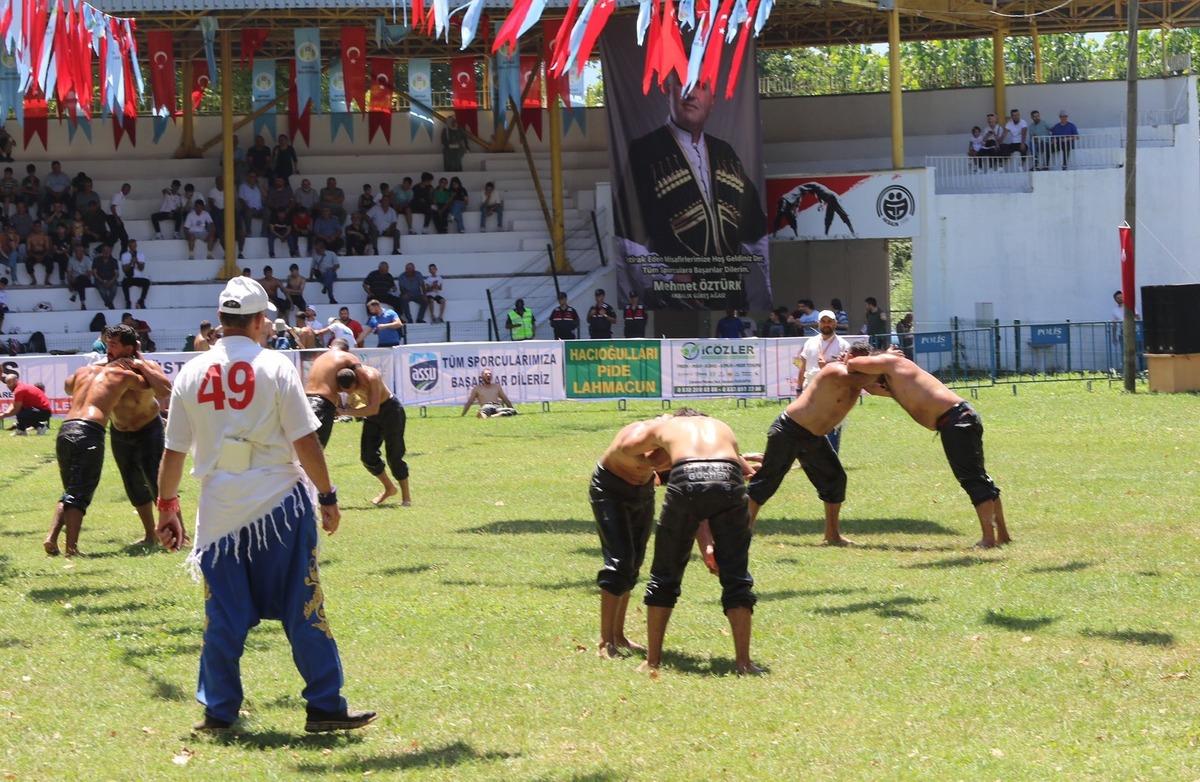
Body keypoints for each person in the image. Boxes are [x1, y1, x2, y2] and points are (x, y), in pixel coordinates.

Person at [154, 276, 375, 734]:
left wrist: (167, 506)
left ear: (220, 321)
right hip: (279, 504)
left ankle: (218, 711)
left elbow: (173, 451)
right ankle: (324, 705)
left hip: (219, 512)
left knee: (224, 616)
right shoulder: (274, 366)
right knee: (303, 605)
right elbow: (304, 438)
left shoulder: (191, 373)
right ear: (258, 321)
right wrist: (329, 495)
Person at [630, 409, 759, 675]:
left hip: (686, 476)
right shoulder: (720, 424)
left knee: (664, 572)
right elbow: (746, 471)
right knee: (736, 575)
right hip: (727, 475)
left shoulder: (667, 426)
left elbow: (640, 456)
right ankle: (744, 663)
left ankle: (652, 660)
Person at [620, 78, 768, 309]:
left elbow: (758, 235)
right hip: (676, 301)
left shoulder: (724, 152)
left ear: (712, 100)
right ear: (667, 89)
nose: (691, 94)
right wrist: (668, 277)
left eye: (701, 86)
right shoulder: (645, 151)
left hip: (731, 298)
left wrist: (766, 288)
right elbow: (626, 237)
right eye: (683, 84)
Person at [847, 347, 1009, 548]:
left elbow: (854, 364)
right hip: (958, 419)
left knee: (973, 479)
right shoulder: (893, 380)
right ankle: (1002, 535)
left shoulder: (890, 362)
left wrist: (847, 360)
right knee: (979, 478)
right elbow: (870, 387)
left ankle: (988, 539)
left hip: (957, 420)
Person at [747, 344, 875, 545]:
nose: (857, 363)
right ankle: (743, 531)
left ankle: (832, 536)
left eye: (864, 360)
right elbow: (864, 379)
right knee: (766, 481)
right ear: (847, 356)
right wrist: (888, 363)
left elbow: (881, 387)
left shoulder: (862, 380)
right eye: (854, 358)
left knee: (835, 479)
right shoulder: (836, 369)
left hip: (812, 437)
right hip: (788, 430)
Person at [44, 326, 154, 556]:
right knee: (80, 492)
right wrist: (139, 362)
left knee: (72, 488)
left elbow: (67, 385)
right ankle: (71, 548)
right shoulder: (123, 373)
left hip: (65, 429)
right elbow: (152, 385)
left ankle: (52, 538)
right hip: (89, 430)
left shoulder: (85, 371)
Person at [588, 420, 672, 658]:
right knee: (619, 561)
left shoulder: (673, 436)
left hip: (642, 491)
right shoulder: (635, 438)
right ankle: (605, 642)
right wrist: (674, 455)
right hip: (610, 491)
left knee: (633, 563)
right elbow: (653, 461)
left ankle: (618, 636)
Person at [107, 326, 173, 546]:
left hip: (148, 430)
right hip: (119, 432)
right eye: (108, 344)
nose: (108, 349)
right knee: (133, 484)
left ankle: (176, 531)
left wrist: (140, 365)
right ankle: (150, 535)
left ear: (129, 347)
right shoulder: (104, 369)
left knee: (159, 483)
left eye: (113, 345)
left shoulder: (147, 366)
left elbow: (165, 390)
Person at [796, 310, 852, 451]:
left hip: (832, 390)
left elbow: (847, 371)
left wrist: (826, 367)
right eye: (823, 321)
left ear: (835, 323)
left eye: (829, 321)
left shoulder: (843, 345)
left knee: (832, 423)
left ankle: (832, 457)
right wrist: (798, 389)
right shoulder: (810, 342)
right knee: (808, 423)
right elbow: (802, 368)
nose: (826, 324)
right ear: (818, 323)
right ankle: (810, 457)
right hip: (810, 389)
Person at [304, 342, 372, 447]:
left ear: (330, 347)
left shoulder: (320, 357)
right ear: (347, 350)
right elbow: (365, 380)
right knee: (315, 450)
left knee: (302, 449)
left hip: (305, 401)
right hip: (322, 404)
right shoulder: (347, 356)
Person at [120, 239, 151, 310]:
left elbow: (141, 268)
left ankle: (141, 300)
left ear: (136, 246)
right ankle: (128, 302)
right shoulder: (124, 255)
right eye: (131, 246)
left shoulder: (141, 255)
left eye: (134, 245)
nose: (133, 247)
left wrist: (137, 261)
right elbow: (124, 269)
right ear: (129, 246)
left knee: (146, 282)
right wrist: (131, 262)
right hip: (129, 277)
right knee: (124, 283)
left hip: (138, 277)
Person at [238, 173, 267, 238]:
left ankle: (263, 233)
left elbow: (265, 195)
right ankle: (248, 233)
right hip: (248, 209)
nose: (253, 178)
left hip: (259, 209)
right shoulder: (243, 186)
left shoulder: (257, 187)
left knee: (268, 212)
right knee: (248, 212)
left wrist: (259, 186)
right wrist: (247, 207)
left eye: (254, 177)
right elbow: (241, 200)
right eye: (251, 177)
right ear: (247, 177)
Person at [91, 244, 120, 310]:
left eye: (108, 251)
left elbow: (116, 274)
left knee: (114, 289)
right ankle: (110, 304)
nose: (106, 252)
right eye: (104, 250)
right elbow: (94, 273)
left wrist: (110, 281)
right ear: (102, 251)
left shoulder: (114, 261)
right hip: (99, 280)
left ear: (110, 252)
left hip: (111, 280)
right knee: (102, 290)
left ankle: (108, 303)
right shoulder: (96, 260)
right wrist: (102, 281)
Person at [107, 183, 132, 254]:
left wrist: (119, 219)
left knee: (123, 238)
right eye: (126, 189)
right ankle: (98, 250)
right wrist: (117, 219)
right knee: (117, 237)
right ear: (122, 188)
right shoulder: (118, 195)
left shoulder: (122, 197)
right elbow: (112, 207)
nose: (127, 191)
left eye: (128, 190)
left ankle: (123, 256)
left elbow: (117, 209)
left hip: (115, 217)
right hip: (112, 217)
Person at [65, 245, 92, 309]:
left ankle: (75, 294)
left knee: (81, 278)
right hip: (75, 281)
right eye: (77, 251)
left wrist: (79, 277)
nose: (79, 253)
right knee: (80, 283)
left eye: (81, 251)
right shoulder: (71, 260)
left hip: (86, 280)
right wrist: (69, 284)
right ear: (75, 252)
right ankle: (83, 304)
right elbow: (69, 273)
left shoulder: (87, 259)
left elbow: (89, 273)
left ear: (83, 252)